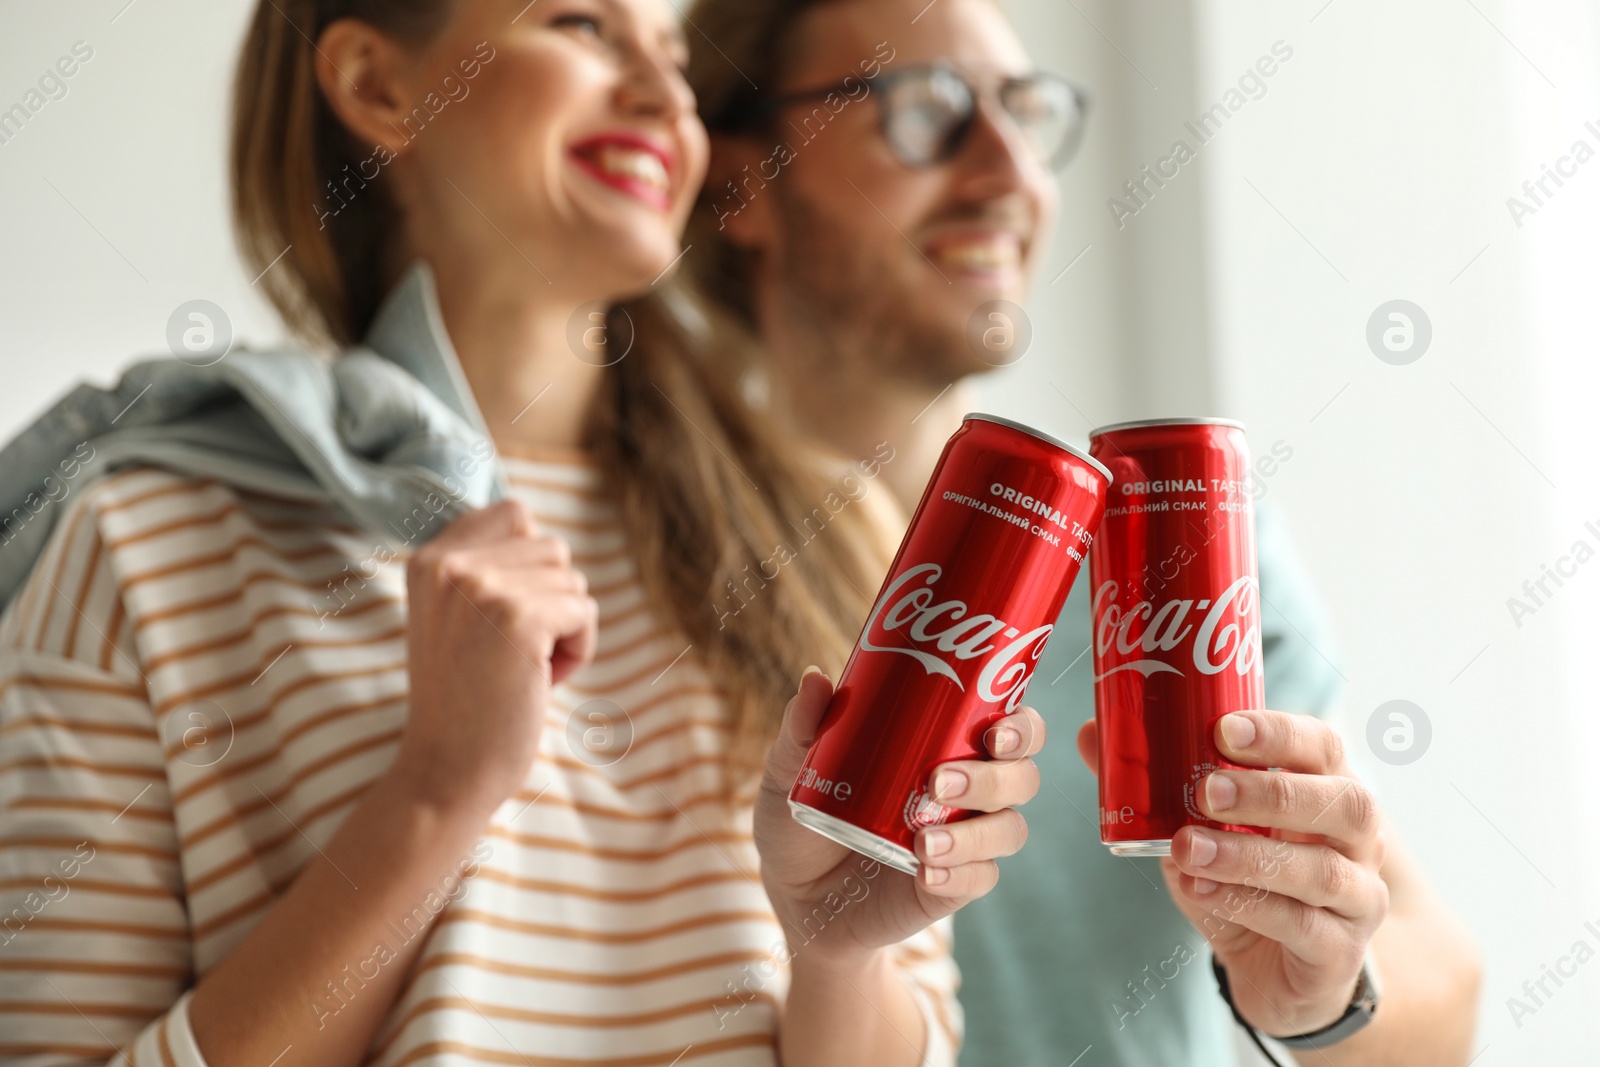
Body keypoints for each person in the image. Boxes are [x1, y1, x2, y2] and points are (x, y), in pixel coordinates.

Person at [0, 1, 1054, 1063]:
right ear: (377, 84)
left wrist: (835, 955)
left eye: (675, 59)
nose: (661, 97)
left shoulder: (833, 532)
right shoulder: (138, 545)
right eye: (583, 25)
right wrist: (437, 789)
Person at [679, 0, 1484, 1063]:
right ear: (741, 183)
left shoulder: (1174, 544)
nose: (1009, 170)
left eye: (1026, 109)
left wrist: (1320, 986)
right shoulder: (647, 558)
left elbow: (1443, 1007)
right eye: (923, 111)